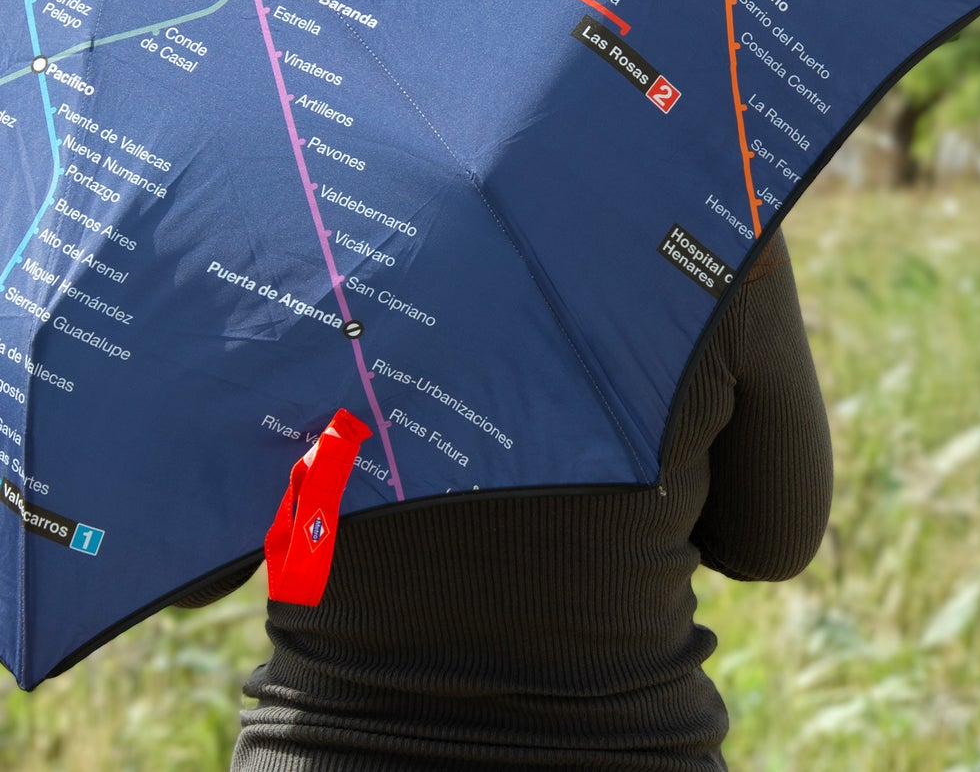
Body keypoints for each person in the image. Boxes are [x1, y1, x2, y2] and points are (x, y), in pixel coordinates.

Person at [178, 229, 832, 770]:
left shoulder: (273, 225)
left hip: (321, 750)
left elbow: (187, 567)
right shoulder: (707, 223)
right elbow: (771, 542)